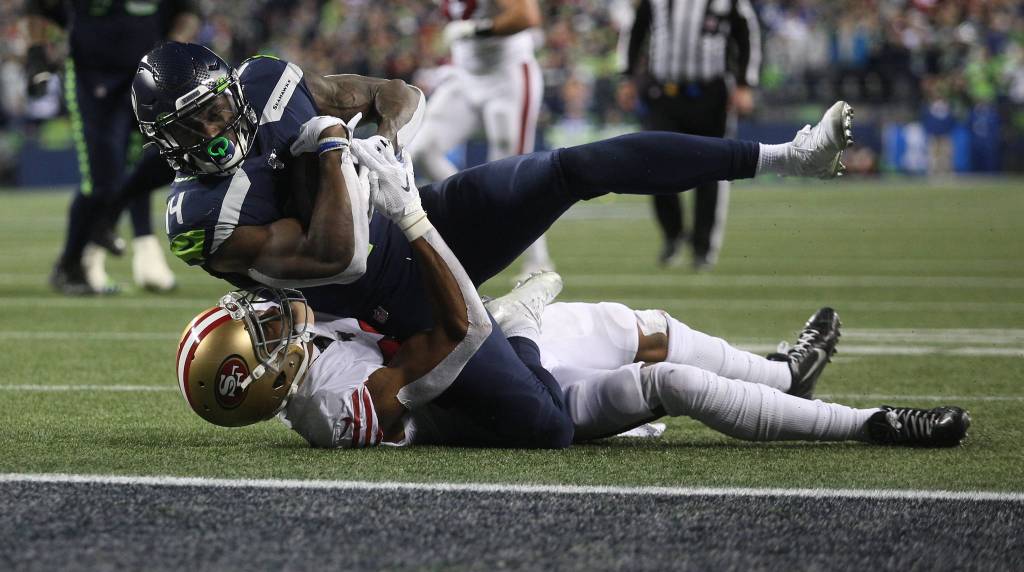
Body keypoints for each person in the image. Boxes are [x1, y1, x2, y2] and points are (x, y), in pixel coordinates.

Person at [134, 42, 852, 448]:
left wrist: (383, 142)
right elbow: (338, 255)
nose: (213, 133)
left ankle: (789, 155)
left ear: (234, 89)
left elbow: (395, 94)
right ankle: (528, 333)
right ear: (165, 143)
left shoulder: (272, 80)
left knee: (572, 168)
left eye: (216, 112)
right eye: (190, 129)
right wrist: (329, 147)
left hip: (420, 218)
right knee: (542, 419)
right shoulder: (202, 215)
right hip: (392, 303)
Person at [175, 272, 970, 449]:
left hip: (492, 348)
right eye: (260, 331)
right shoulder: (324, 408)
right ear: (258, 380)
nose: (272, 317)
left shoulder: (308, 356)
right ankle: (870, 425)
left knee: (638, 325)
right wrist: (505, 320)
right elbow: (425, 366)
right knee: (673, 383)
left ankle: (785, 375)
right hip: (505, 399)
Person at [25, 0, 198, 295]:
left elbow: (187, 12)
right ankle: (70, 263)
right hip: (93, 79)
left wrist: (175, 48)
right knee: (102, 180)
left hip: (147, 77)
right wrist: (38, 55)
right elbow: (39, 11)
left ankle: (114, 229)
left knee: (169, 154)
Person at [407, 0, 553, 276]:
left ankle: (539, 262)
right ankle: (468, 216)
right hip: (465, 75)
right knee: (423, 150)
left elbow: (526, 16)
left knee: (512, 174)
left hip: (508, 75)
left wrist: (477, 29)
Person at [624, 0, 762, 271]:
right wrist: (627, 76)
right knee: (655, 164)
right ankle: (672, 234)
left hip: (711, 94)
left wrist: (746, 83)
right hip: (664, 92)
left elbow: (747, 34)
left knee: (713, 170)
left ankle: (703, 247)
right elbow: (635, 30)